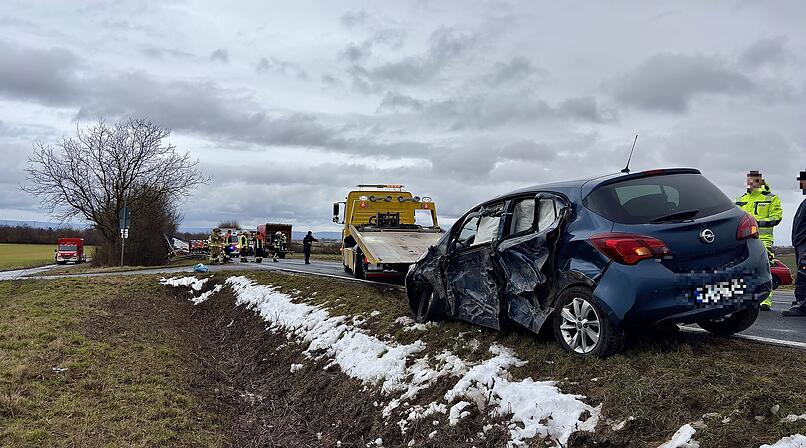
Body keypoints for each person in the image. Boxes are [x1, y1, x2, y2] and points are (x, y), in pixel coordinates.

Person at [736, 171, 783, 310]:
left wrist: (755, 223)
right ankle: (743, 298)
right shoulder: (741, 199)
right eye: (749, 180)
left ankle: (765, 301)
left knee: (765, 267)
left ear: (761, 181)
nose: (751, 183)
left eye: (754, 180)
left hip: (763, 239)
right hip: (744, 239)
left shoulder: (771, 198)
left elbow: (776, 218)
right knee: (742, 268)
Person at [783, 170, 806, 317]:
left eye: (802, 182)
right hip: (800, 243)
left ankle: (802, 304)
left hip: (804, 243)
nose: (801, 185)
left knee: (804, 273)